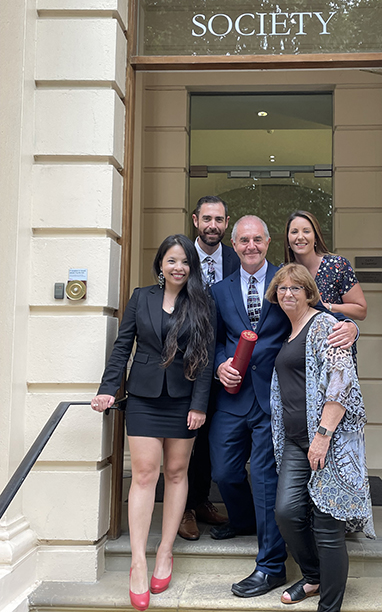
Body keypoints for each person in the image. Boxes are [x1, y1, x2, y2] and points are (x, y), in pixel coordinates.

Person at [209, 215, 359, 598]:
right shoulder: (220, 289)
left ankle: (270, 566)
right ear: (234, 242)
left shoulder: (286, 280)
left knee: (265, 483)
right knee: (224, 473)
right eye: (243, 240)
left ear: (268, 240)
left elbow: (323, 316)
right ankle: (245, 522)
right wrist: (221, 363)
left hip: (274, 404)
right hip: (233, 396)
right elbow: (217, 339)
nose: (251, 246)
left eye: (258, 239)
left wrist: (352, 327)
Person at [91, 235, 215, 612]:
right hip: (144, 397)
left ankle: (165, 552)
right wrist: (108, 389)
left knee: (177, 472)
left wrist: (199, 404)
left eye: (185, 262)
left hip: (184, 400)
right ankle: (139, 562)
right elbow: (122, 346)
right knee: (145, 474)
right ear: (160, 263)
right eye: (171, 260)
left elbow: (206, 358)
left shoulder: (202, 302)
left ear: (191, 267)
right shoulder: (140, 297)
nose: (178, 267)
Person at [266, 264, 374, 612]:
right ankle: (312, 576)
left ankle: (330, 606)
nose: (288, 294)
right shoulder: (290, 330)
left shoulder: (325, 325)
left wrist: (324, 435)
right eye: (282, 288)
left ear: (310, 292)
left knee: (327, 527)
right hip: (296, 441)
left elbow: (341, 380)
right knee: (286, 512)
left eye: (296, 288)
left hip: (328, 441)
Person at [176, 196, 240, 540]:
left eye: (219, 219)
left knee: (211, 440)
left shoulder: (236, 259)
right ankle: (183, 508)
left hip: (227, 365)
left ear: (226, 222)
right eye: (207, 219)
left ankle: (200, 501)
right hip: (185, 366)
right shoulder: (181, 257)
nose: (213, 225)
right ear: (196, 220)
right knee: (186, 437)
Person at [284, 210, 367, 321]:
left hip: (331, 336)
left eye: (306, 231)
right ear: (288, 240)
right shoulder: (283, 272)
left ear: (316, 237)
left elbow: (361, 311)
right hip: (294, 337)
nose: (300, 237)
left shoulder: (338, 266)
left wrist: (327, 307)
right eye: (294, 232)